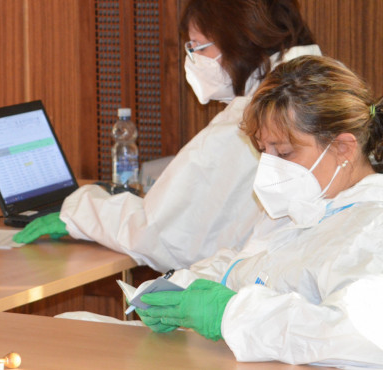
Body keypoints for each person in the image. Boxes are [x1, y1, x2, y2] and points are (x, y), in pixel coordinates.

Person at [14, 0, 321, 273]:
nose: (193, 58)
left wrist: (79, 213)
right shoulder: (316, 87)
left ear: (237, 41)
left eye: (199, 46)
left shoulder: (251, 122)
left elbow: (164, 235)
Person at [138, 55, 383, 366]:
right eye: (264, 151)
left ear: (343, 148)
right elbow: (253, 268)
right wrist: (183, 286)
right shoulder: (310, 204)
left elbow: (356, 337)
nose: (270, 167)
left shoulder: (372, 229)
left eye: (284, 153)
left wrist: (228, 313)